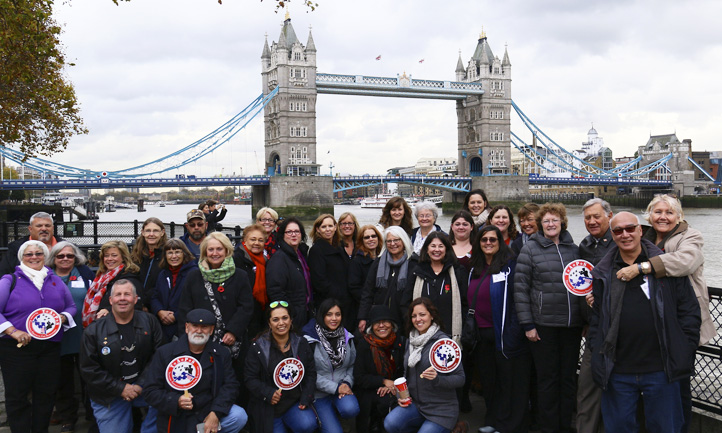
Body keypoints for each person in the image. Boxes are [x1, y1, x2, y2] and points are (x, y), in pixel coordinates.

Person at [587, 212, 700, 433]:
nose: (625, 235)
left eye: (630, 228)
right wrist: (597, 346)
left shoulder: (666, 267)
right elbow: (597, 318)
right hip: (617, 369)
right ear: (612, 235)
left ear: (641, 230)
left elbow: (689, 313)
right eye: (618, 231)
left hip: (661, 368)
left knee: (666, 428)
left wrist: (683, 349)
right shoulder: (603, 271)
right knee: (619, 428)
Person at [615, 194, 716, 432]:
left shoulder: (690, 236)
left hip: (681, 322)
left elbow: (685, 262)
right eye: (658, 212)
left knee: (678, 387)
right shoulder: (643, 235)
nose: (663, 217)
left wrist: (642, 267)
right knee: (654, 388)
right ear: (648, 215)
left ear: (679, 216)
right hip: (653, 324)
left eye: (669, 212)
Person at [514, 202, 582, 433]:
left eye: (555, 220)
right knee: (547, 380)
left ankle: (565, 425)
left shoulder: (574, 249)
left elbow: (581, 286)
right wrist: (528, 324)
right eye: (546, 221)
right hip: (543, 326)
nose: (551, 224)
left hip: (571, 326)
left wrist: (584, 319)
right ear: (540, 224)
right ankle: (548, 426)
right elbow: (521, 289)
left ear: (562, 222)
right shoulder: (530, 249)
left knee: (568, 378)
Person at [0, 240, 77, 433]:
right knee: (17, 396)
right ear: (21, 258)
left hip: (49, 347)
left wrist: (62, 317)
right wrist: (13, 331)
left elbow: (71, 307)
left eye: (39, 253)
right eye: (29, 254)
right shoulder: (9, 281)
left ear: (45, 256)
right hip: (16, 349)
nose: (34, 257)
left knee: (46, 395)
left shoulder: (55, 280)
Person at [143, 308, 248, 433]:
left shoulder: (221, 353)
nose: (199, 331)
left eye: (204, 327)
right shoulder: (165, 353)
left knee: (238, 415)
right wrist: (176, 401)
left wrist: (216, 413)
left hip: (207, 411)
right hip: (176, 416)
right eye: (195, 326)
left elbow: (231, 385)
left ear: (211, 330)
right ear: (187, 327)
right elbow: (150, 391)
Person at [468, 226, 530, 433]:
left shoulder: (510, 266)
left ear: (499, 242)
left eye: (492, 239)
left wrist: (514, 332)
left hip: (504, 333)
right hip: (481, 335)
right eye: (484, 239)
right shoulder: (473, 267)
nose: (488, 243)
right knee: (490, 381)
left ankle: (509, 425)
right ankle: (493, 420)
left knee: (509, 382)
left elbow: (518, 299)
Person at [80, 279, 163, 433]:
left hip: (145, 388)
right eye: (118, 295)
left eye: (127, 294)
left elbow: (159, 357)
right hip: (108, 394)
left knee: (169, 405)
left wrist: (140, 384)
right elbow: (89, 370)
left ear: (135, 298)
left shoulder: (150, 322)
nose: (123, 298)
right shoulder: (93, 331)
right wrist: (121, 388)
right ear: (111, 300)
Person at [384, 297, 465, 433]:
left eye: (422, 314)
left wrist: (437, 379)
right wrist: (401, 396)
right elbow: (406, 374)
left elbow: (460, 378)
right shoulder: (411, 341)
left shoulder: (443, 343)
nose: (418, 319)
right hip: (417, 405)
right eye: (414, 316)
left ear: (432, 316)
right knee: (390, 423)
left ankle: (453, 427)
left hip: (441, 411)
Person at [177, 232, 254, 367]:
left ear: (227, 251)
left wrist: (233, 331)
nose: (215, 253)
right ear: (205, 252)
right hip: (201, 338)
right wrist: (188, 336)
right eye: (210, 249)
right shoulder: (193, 276)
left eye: (219, 249)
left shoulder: (240, 275)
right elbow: (185, 308)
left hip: (231, 341)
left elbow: (246, 307)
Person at [245, 301, 318, 433]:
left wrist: (306, 397)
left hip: (294, 403)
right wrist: (268, 393)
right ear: (269, 323)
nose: (281, 323)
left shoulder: (302, 343)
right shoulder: (258, 347)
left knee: (307, 424)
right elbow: (250, 379)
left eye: (285, 318)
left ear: (291, 320)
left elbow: (311, 373)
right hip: (269, 408)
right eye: (275, 319)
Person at [46, 242, 95, 433]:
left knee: (89, 379)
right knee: (63, 381)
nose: (65, 259)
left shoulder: (84, 273)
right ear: (53, 258)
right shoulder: (46, 275)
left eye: (70, 256)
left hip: (84, 335)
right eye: (60, 256)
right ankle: (68, 417)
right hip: (57, 336)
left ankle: (93, 416)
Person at [576, 198, 613, 433]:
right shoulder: (584, 246)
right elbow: (580, 285)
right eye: (587, 217)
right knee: (587, 387)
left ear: (609, 216)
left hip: (621, 328)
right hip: (594, 328)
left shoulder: (622, 240)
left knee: (619, 389)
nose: (591, 221)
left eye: (596, 216)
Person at [302, 299, 360, 433]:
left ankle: (339, 417)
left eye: (337, 314)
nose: (334, 318)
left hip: (343, 387)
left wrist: (346, 383)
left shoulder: (347, 337)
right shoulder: (309, 340)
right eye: (329, 314)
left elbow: (352, 365)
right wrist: (336, 388)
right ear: (322, 315)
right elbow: (309, 374)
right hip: (319, 394)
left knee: (351, 409)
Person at [404, 232, 468, 345]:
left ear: (447, 249)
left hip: (450, 335)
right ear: (427, 249)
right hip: (422, 336)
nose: (436, 250)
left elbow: (465, 302)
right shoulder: (417, 272)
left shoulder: (458, 271)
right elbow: (406, 303)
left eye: (441, 246)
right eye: (433, 246)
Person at [353, 305, 405, 433]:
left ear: (392, 324)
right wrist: (383, 381)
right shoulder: (364, 344)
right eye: (377, 323)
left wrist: (391, 385)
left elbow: (403, 370)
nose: (381, 326)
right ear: (371, 327)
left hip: (393, 388)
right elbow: (359, 377)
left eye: (385, 321)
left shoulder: (399, 342)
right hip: (369, 389)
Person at [358, 227, 416, 334]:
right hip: (380, 318)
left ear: (403, 240)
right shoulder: (378, 262)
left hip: (404, 318)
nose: (393, 244)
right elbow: (368, 292)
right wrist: (363, 317)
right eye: (389, 241)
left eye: (396, 240)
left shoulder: (414, 263)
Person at [82, 240, 143, 327]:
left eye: (114, 255)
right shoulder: (101, 277)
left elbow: (135, 305)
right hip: (100, 326)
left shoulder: (130, 278)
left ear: (123, 257)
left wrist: (108, 310)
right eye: (106, 256)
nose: (110, 259)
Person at [266, 218, 313, 326]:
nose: (293, 235)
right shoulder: (279, 259)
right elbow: (275, 291)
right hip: (292, 317)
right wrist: (291, 313)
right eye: (289, 232)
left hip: (305, 312)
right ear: (283, 235)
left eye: (297, 231)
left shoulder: (300, 255)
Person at [308, 214, 352, 329]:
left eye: (330, 226)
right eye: (323, 227)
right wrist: (340, 296)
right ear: (318, 229)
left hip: (345, 303)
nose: (328, 229)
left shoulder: (339, 247)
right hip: (330, 305)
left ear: (335, 227)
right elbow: (319, 281)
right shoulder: (316, 251)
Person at [151, 238, 198, 343]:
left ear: (184, 253)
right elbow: (155, 296)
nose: (174, 256)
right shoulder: (163, 274)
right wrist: (160, 312)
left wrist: (175, 316)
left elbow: (194, 301)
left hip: (182, 326)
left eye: (177, 252)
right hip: (162, 326)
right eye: (170, 253)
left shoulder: (194, 273)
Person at [233, 223, 269, 339]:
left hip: (260, 312)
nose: (256, 243)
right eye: (252, 239)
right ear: (244, 240)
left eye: (260, 240)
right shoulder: (237, 258)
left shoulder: (265, 260)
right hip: (245, 314)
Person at [0, 211, 63, 276]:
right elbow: (4, 273)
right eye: (39, 226)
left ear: (53, 228)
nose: (44, 229)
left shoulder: (66, 248)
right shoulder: (15, 249)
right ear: (30, 229)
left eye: (47, 226)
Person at [348, 225, 383, 324]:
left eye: (373, 236)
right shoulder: (357, 261)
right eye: (366, 237)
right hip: (366, 308)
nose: (371, 239)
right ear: (361, 240)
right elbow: (354, 288)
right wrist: (370, 301)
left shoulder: (384, 258)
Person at [130, 217, 167, 309]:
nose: (151, 234)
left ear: (162, 233)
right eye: (148, 231)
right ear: (143, 232)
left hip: (160, 304)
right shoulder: (135, 255)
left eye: (155, 231)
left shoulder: (167, 255)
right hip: (137, 304)